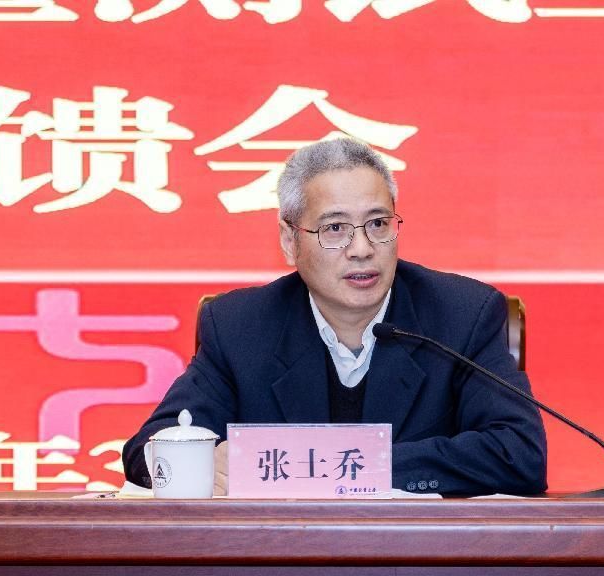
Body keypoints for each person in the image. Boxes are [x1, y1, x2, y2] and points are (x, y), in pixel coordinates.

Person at [122, 138, 547, 496]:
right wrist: (199, 462)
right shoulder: (239, 326)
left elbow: (520, 455)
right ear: (290, 241)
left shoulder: (462, 315)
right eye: (335, 228)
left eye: (378, 223)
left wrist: (338, 468)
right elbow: (146, 451)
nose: (362, 248)